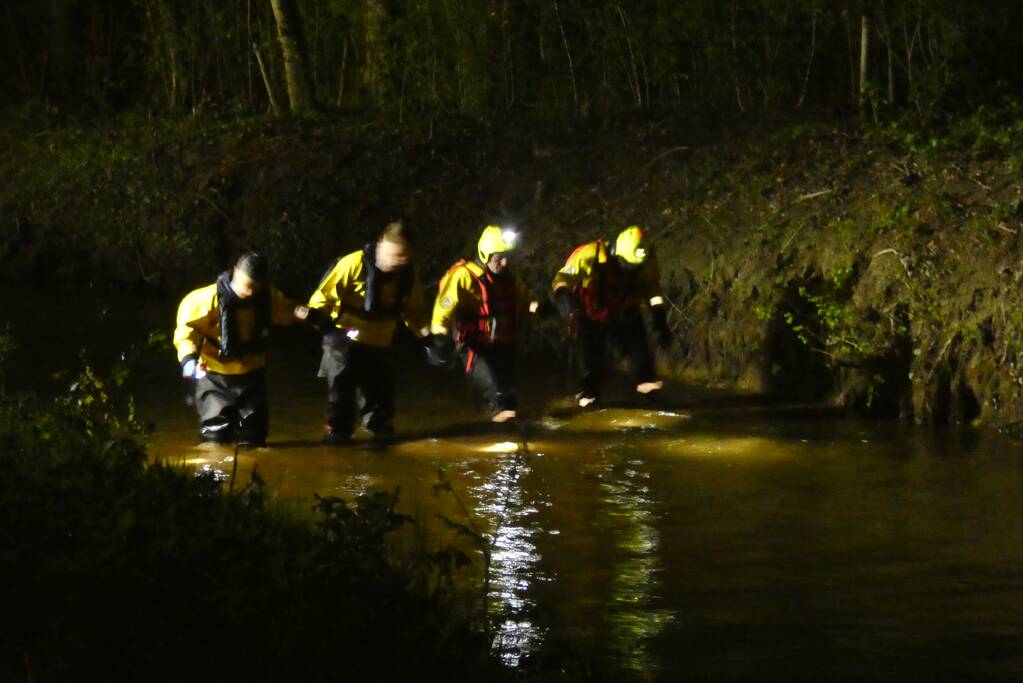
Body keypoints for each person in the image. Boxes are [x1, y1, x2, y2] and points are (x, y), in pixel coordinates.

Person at [308, 221, 429, 444]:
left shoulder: (407, 276)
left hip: (379, 340)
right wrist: (323, 324)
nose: (395, 262)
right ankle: (337, 435)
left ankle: (379, 441)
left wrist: (429, 338)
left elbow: (414, 312)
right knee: (341, 397)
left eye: (402, 257)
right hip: (342, 337)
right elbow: (321, 298)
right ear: (380, 245)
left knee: (380, 399)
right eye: (392, 255)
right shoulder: (353, 264)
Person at [174, 252, 310, 446]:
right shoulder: (204, 300)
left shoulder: (268, 296)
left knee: (254, 437)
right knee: (215, 436)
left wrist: (306, 314)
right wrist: (188, 360)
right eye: (247, 285)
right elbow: (186, 333)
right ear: (236, 273)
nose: (251, 292)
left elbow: (285, 311)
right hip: (215, 376)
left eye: (256, 286)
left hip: (251, 373)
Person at [551, 226, 673, 407]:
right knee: (590, 359)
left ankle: (650, 394)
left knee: (641, 354)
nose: (629, 269)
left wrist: (659, 315)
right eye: (626, 264)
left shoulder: (646, 259)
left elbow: (652, 287)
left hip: (626, 313)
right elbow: (563, 277)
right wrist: (563, 296)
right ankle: (588, 398)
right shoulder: (591, 254)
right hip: (592, 315)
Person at [428, 225, 536, 423]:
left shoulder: (509, 277)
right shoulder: (463, 276)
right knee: (490, 391)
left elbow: (522, 302)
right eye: (499, 258)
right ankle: (497, 427)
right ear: (486, 255)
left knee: (509, 398)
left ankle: (507, 428)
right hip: (474, 344)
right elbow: (442, 311)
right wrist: (439, 339)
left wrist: (540, 308)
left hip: (503, 342)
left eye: (507, 257)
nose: (504, 262)